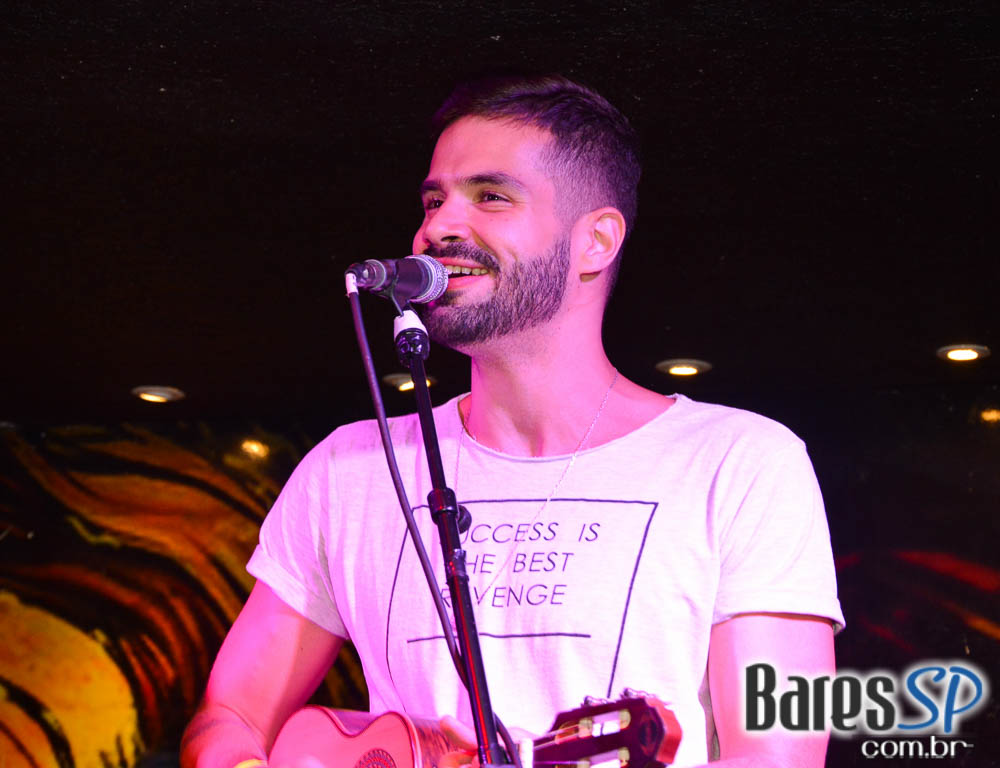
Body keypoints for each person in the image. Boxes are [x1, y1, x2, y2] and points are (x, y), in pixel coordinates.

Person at [182, 74, 844, 768]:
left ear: (596, 241)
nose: (437, 226)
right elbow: (229, 714)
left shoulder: (741, 463)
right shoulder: (349, 471)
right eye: (433, 200)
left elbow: (777, 760)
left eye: (490, 196)